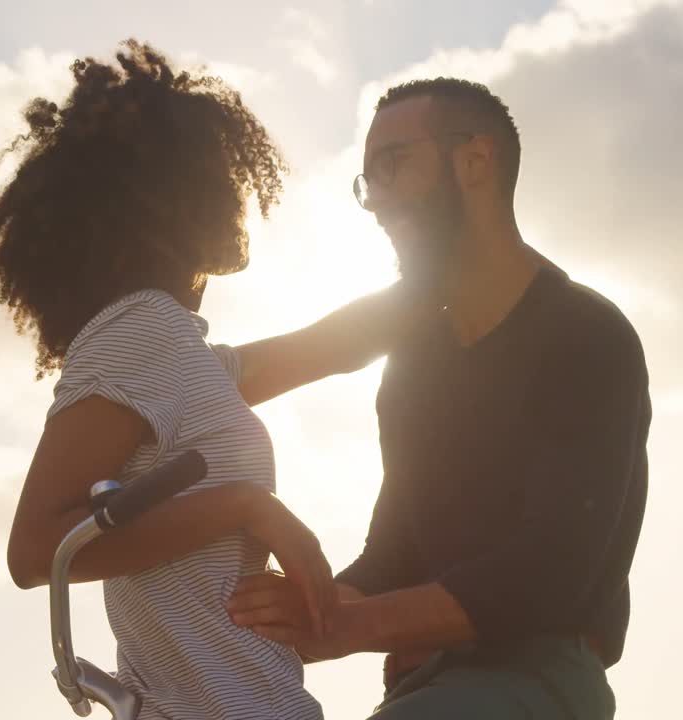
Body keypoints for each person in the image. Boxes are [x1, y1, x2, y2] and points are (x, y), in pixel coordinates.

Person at [0, 41, 422, 720]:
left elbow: (333, 347)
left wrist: (446, 260)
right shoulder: (141, 330)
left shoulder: (178, 353)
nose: (238, 192)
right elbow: (36, 550)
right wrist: (246, 507)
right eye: (218, 173)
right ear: (171, 194)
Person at [227, 78, 652, 719]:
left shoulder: (586, 335)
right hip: (422, 688)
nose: (376, 200)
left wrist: (343, 626)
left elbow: (548, 572)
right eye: (368, 180)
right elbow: (394, 557)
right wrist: (294, 611)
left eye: (394, 165)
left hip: (542, 681)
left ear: (475, 161)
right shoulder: (417, 361)